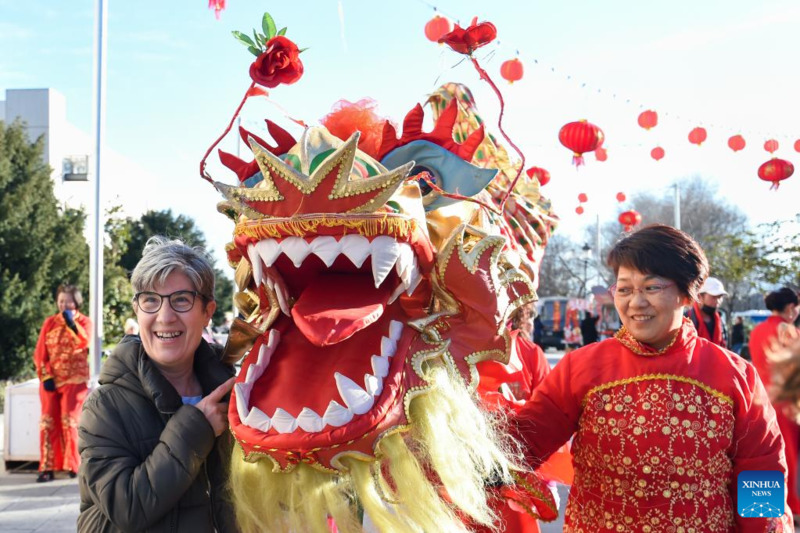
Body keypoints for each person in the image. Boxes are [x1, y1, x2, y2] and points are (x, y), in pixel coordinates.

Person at [514, 224, 792, 531]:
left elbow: (761, 471)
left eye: (651, 287)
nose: (636, 302)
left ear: (687, 294)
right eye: (624, 289)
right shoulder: (580, 367)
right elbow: (524, 441)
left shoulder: (734, 376)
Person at [77, 236, 238, 532]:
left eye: (181, 300)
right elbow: (127, 509)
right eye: (150, 300)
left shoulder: (238, 396)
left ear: (208, 312)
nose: (165, 317)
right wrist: (198, 428)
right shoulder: (104, 406)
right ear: (137, 310)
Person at [748, 287, 800, 517]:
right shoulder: (788, 330)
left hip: (760, 400)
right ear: (790, 308)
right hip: (787, 403)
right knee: (789, 456)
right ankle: (793, 508)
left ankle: (763, 512)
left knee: (764, 456)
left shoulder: (757, 330)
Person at [33, 284, 92, 482]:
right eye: (60, 301)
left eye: (67, 300)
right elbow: (40, 353)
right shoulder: (49, 323)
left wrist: (72, 325)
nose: (63, 304)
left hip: (75, 381)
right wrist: (46, 376)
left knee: (71, 422)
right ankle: (46, 468)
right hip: (51, 380)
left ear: (76, 302)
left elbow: (85, 343)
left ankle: (73, 466)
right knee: (48, 422)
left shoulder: (84, 322)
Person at [687, 275, 728, 347]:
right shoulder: (687, 319)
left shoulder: (720, 320)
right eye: (713, 297)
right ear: (699, 296)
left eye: (720, 297)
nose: (717, 301)